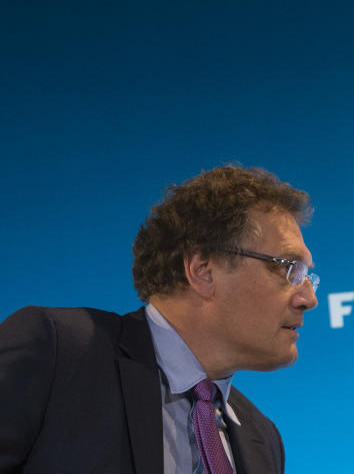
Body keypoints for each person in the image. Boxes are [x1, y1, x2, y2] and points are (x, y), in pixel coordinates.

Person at [0, 165, 319, 473]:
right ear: (203, 271)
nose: (309, 298)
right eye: (289, 268)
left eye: (310, 277)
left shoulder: (262, 439)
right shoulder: (58, 355)